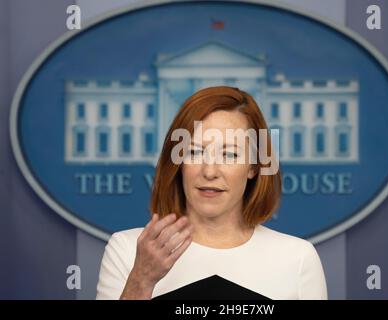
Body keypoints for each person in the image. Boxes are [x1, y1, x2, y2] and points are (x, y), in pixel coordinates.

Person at [96, 86, 327, 300]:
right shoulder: (128, 250)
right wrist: (141, 281)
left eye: (230, 155)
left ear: (254, 166)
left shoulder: (297, 259)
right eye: (195, 152)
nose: (209, 171)